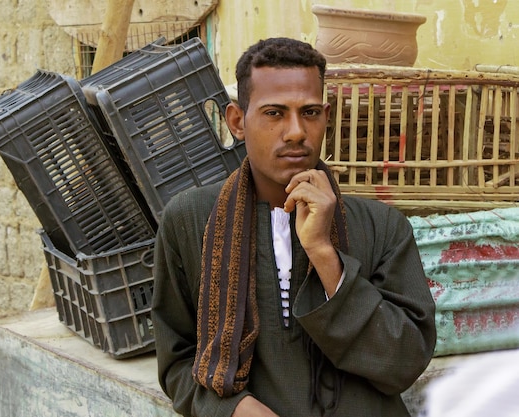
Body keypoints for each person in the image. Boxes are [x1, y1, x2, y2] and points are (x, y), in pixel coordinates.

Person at [151, 37, 436, 417]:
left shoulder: (383, 226)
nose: (296, 131)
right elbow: (178, 359)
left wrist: (323, 253)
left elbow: (403, 363)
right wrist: (231, 409)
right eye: (274, 113)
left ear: (326, 117)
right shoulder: (190, 220)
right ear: (237, 121)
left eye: (310, 112)